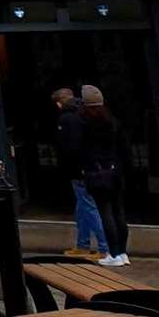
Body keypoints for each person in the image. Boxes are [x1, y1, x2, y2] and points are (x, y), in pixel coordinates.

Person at [77, 86, 131, 267]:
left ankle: (113, 253)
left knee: (105, 213)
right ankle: (123, 253)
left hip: (98, 173)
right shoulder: (113, 122)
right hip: (116, 172)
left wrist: (86, 168)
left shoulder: (86, 124)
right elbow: (125, 148)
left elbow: (82, 150)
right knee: (119, 212)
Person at [53, 87, 106, 259]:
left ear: (59, 103)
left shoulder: (67, 118)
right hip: (88, 167)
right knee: (82, 208)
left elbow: (70, 147)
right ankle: (82, 245)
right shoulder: (84, 114)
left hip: (79, 169)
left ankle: (104, 247)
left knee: (89, 207)